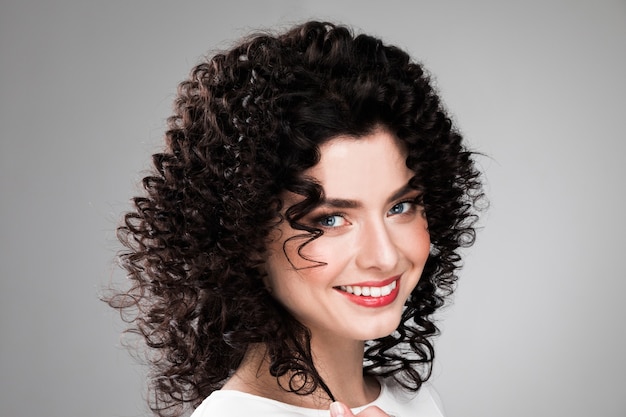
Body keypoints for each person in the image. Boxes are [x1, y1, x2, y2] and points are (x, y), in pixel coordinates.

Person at [107, 21, 484, 417]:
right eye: (331, 220)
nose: (385, 256)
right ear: (245, 238)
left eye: (399, 207)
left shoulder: (411, 403)